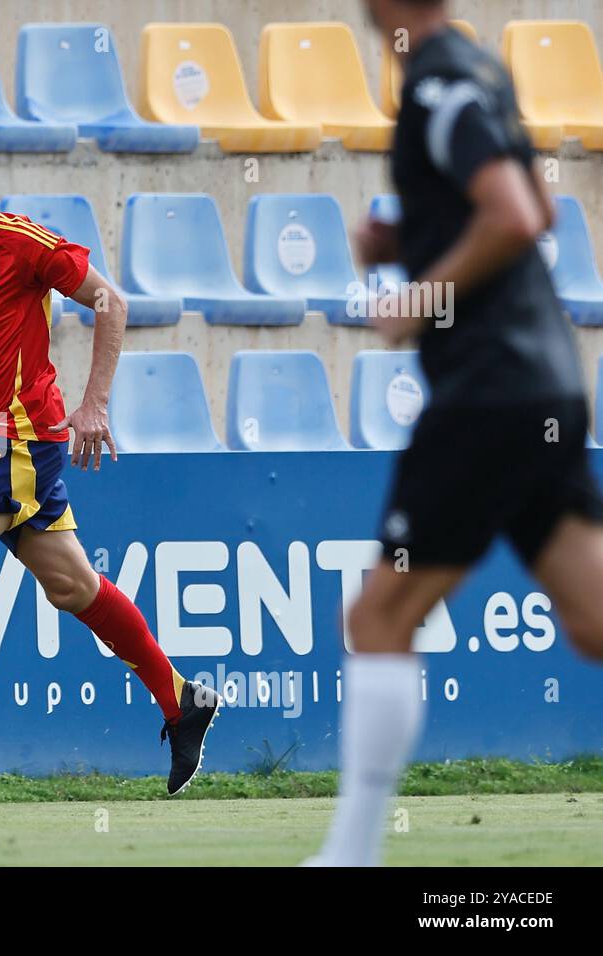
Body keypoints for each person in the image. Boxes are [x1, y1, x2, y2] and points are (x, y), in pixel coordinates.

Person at [311, 0, 603, 866]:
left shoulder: (437, 80)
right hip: (543, 388)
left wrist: (419, 294)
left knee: (377, 615)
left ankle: (351, 859)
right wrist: (413, 237)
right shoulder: (479, 69)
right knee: (593, 623)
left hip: (486, 398)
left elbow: (517, 215)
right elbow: (532, 203)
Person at [0, 120, 219, 793]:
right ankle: (180, 696)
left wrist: (94, 405)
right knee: (71, 586)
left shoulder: (19, 242)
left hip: (19, 435)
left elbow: (109, 301)